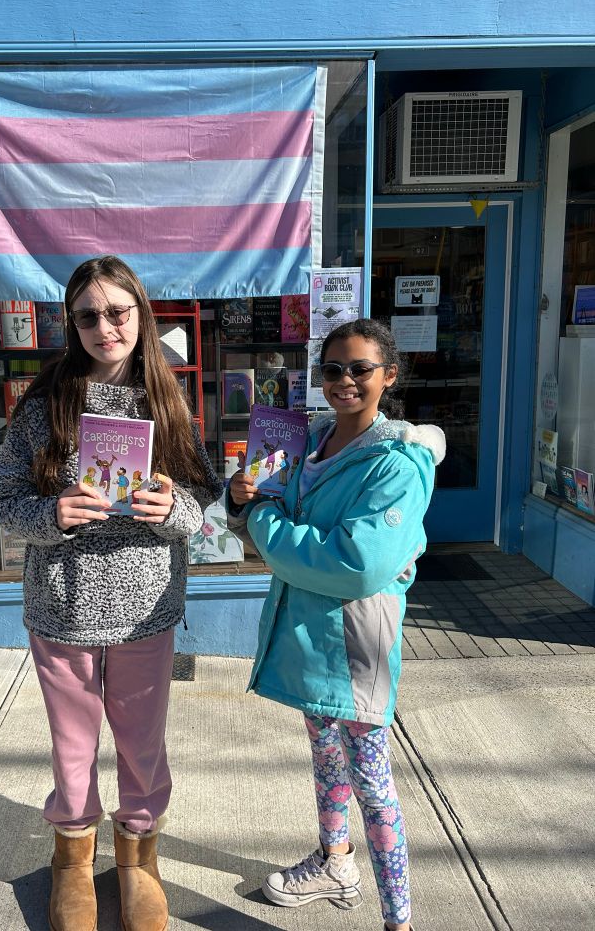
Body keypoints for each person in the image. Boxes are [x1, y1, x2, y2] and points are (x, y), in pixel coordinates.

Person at [0, 255, 222, 931]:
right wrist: (51, 513)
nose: (104, 327)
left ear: (140, 315)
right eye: (88, 315)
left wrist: (172, 508)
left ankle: (139, 859)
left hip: (145, 608)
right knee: (72, 746)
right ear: (72, 323)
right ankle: (72, 858)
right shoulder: (44, 405)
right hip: (62, 607)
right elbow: (4, 500)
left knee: (142, 744)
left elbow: (202, 495)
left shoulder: (166, 400)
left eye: (117, 311)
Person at [228, 319, 445, 931]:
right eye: (332, 369)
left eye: (360, 369)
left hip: (353, 645)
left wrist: (261, 521)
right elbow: (269, 498)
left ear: (389, 376)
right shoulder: (308, 440)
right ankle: (335, 861)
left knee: (373, 785)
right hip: (306, 635)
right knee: (326, 761)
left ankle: (398, 921)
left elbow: (355, 564)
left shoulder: (398, 463)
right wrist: (241, 495)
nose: (345, 380)